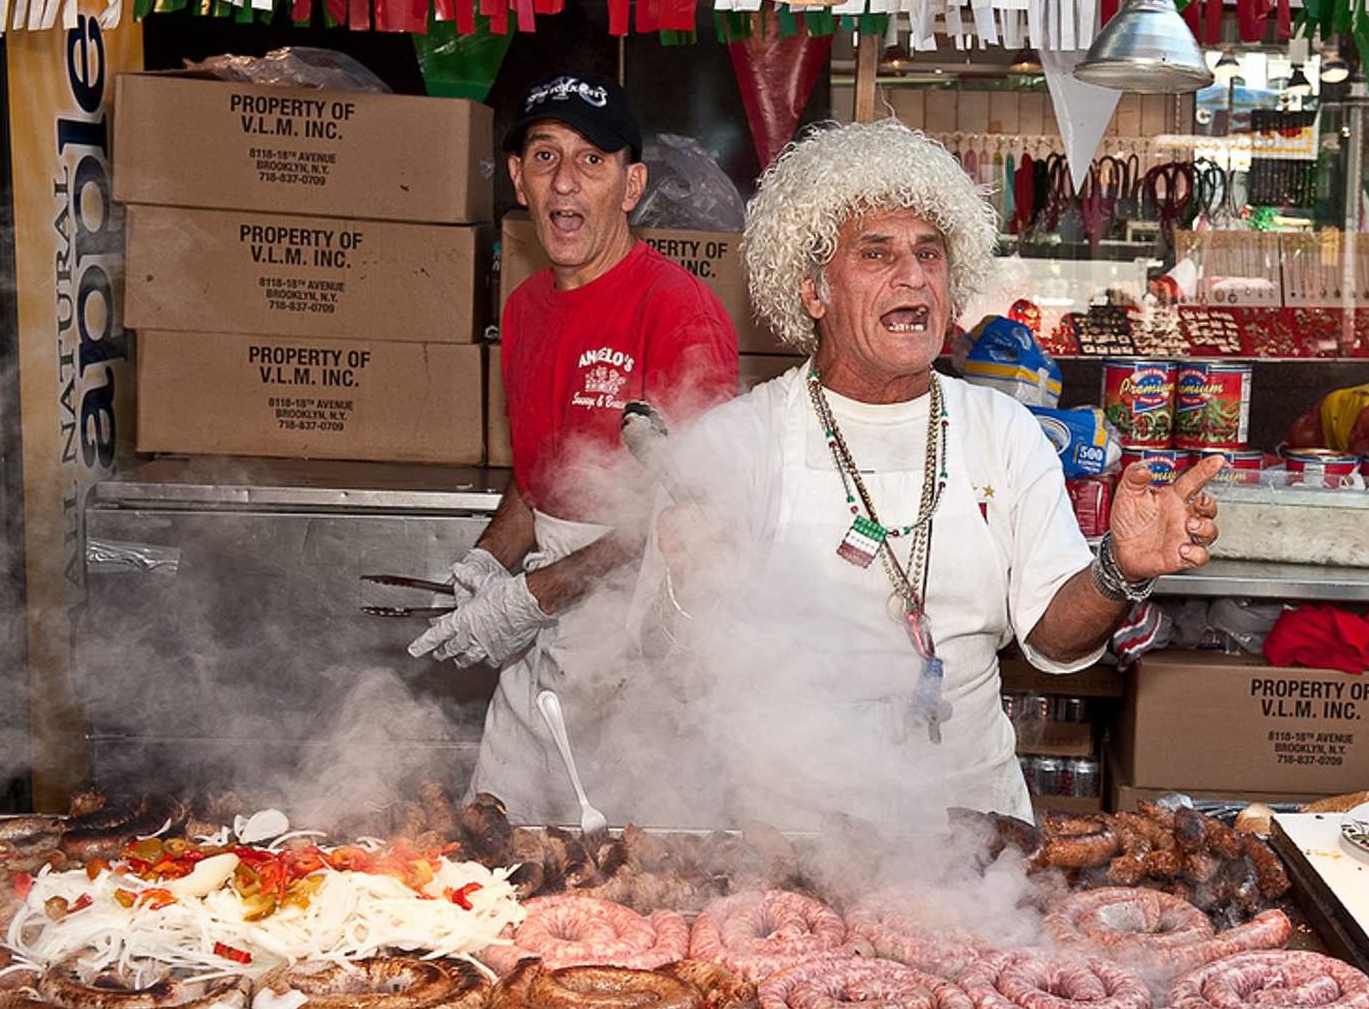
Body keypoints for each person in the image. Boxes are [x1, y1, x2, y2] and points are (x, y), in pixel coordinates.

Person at [644, 120, 1219, 830]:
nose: (912, 276)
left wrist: (1119, 569)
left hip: (974, 831)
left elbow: (1057, 641)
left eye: (929, 253)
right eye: (876, 253)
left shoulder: (1004, 431)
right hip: (792, 830)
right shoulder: (740, 440)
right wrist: (687, 583)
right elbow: (667, 668)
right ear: (813, 291)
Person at [410, 71, 739, 824]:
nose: (566, 180)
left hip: (639, 653)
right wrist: (489, 560)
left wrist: (534, 594)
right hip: (541, 653)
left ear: (631, 186)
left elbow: (689, 514)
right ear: (520, 180)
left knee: (626, 888)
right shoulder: (525, 309)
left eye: (593, 160)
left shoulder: (678, 309)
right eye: (545, 155)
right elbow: (539, 477)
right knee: (494, 863)